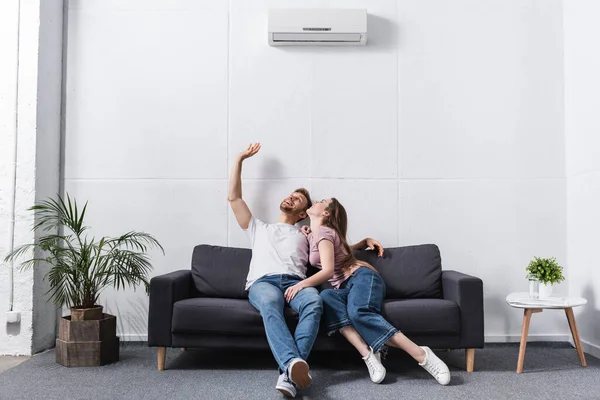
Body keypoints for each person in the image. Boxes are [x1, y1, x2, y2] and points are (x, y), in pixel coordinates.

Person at [228, 144, 383, 398]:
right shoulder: (258, 228)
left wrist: (361, 243)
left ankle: (288, 373)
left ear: (302, 213)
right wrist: (239, 159)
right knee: (270, 304)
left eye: (298, 199)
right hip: (263, 283)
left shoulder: (308, 235)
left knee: (315, 302)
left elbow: (333, 249)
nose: (291, 197)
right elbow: (234, 198)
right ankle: (292, 364)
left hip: (296, 283)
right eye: (291, 194)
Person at [299, 197, 451, 386]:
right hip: (345, 287)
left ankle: (422, 355)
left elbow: (328, 270)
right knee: (326, 296)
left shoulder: (323, 231)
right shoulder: (318, 234)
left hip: (362, 277)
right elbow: (342, 249)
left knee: (358, 312)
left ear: (326, 213)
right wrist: (362, 242)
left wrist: (300, 285)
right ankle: (368, 353)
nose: (315, 200)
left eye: (321, 200)